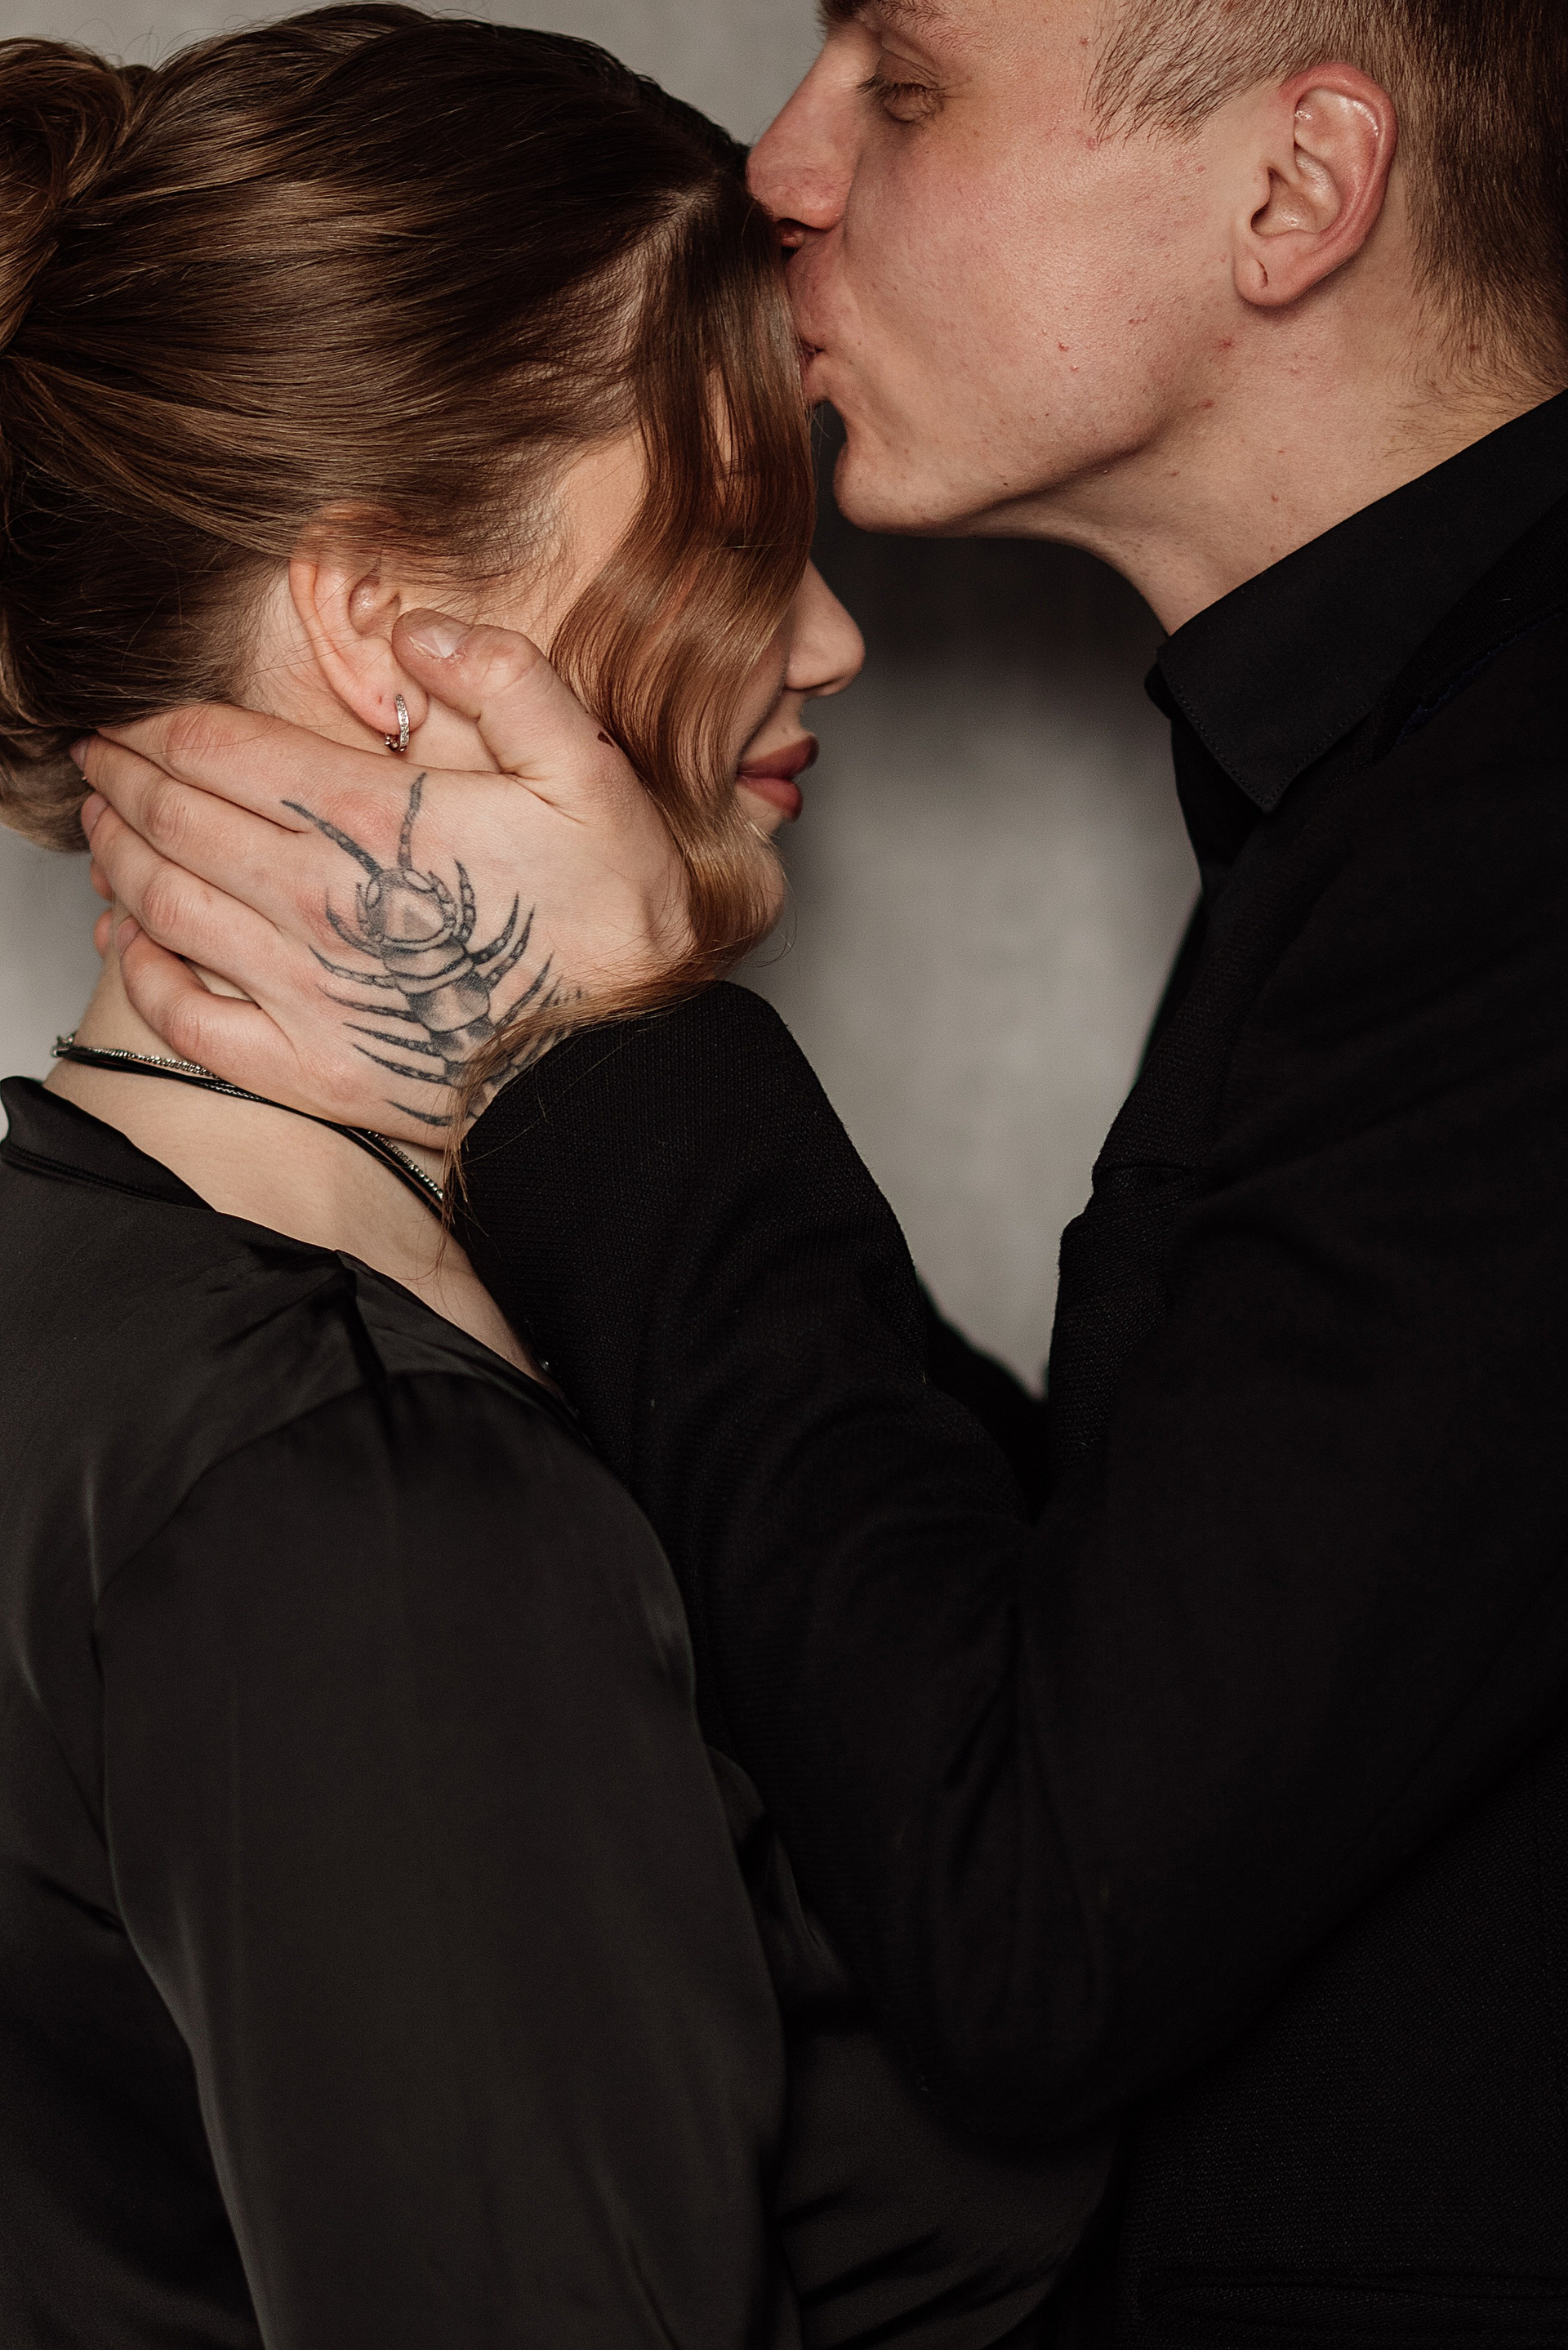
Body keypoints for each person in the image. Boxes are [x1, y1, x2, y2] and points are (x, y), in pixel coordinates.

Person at [63, 0, 1568, 2339]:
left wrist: (580, 1069)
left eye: (909, 78)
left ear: (1297, 193)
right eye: (726, 532)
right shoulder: (308, 1459)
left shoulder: (1505, 854)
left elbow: (1047, 1907)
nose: (784, 157)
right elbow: (1191, 1654)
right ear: (384, 624)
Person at [0, 13, 1115, 2348]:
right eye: (737, 534)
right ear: (395, 635)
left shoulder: (93, 1303)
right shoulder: (363, 1491)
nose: (833, 637)